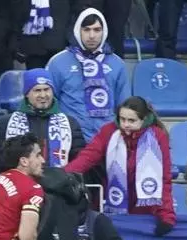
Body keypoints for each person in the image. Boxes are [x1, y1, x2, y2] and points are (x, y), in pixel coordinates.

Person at [65, 96, 176, 237]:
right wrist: (63, 174)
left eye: (131, 120)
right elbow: (87, 157)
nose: (125, 124)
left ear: (144, 119)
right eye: (122, 119)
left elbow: (164, 178)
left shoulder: (158, 136)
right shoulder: (109, 131)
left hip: (145, 207)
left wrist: (167, 216)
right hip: (114, 202)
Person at [47, 8, 130, 142]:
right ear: (77, 31)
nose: (92, 36)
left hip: (108, 138)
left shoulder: (117, 64)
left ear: (104, 31)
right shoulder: (57, 62)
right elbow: (49, 102)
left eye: (97, 30)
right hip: (70, 138)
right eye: (86, 29)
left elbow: (124, 105)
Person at [0, 69, 85, 174]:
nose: (43, 95)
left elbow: (79, 162)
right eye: (37, 90)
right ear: (27, 94)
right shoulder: (6, 123)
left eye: (47, 89)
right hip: (18, 183)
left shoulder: (70, 123)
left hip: (59, 182)